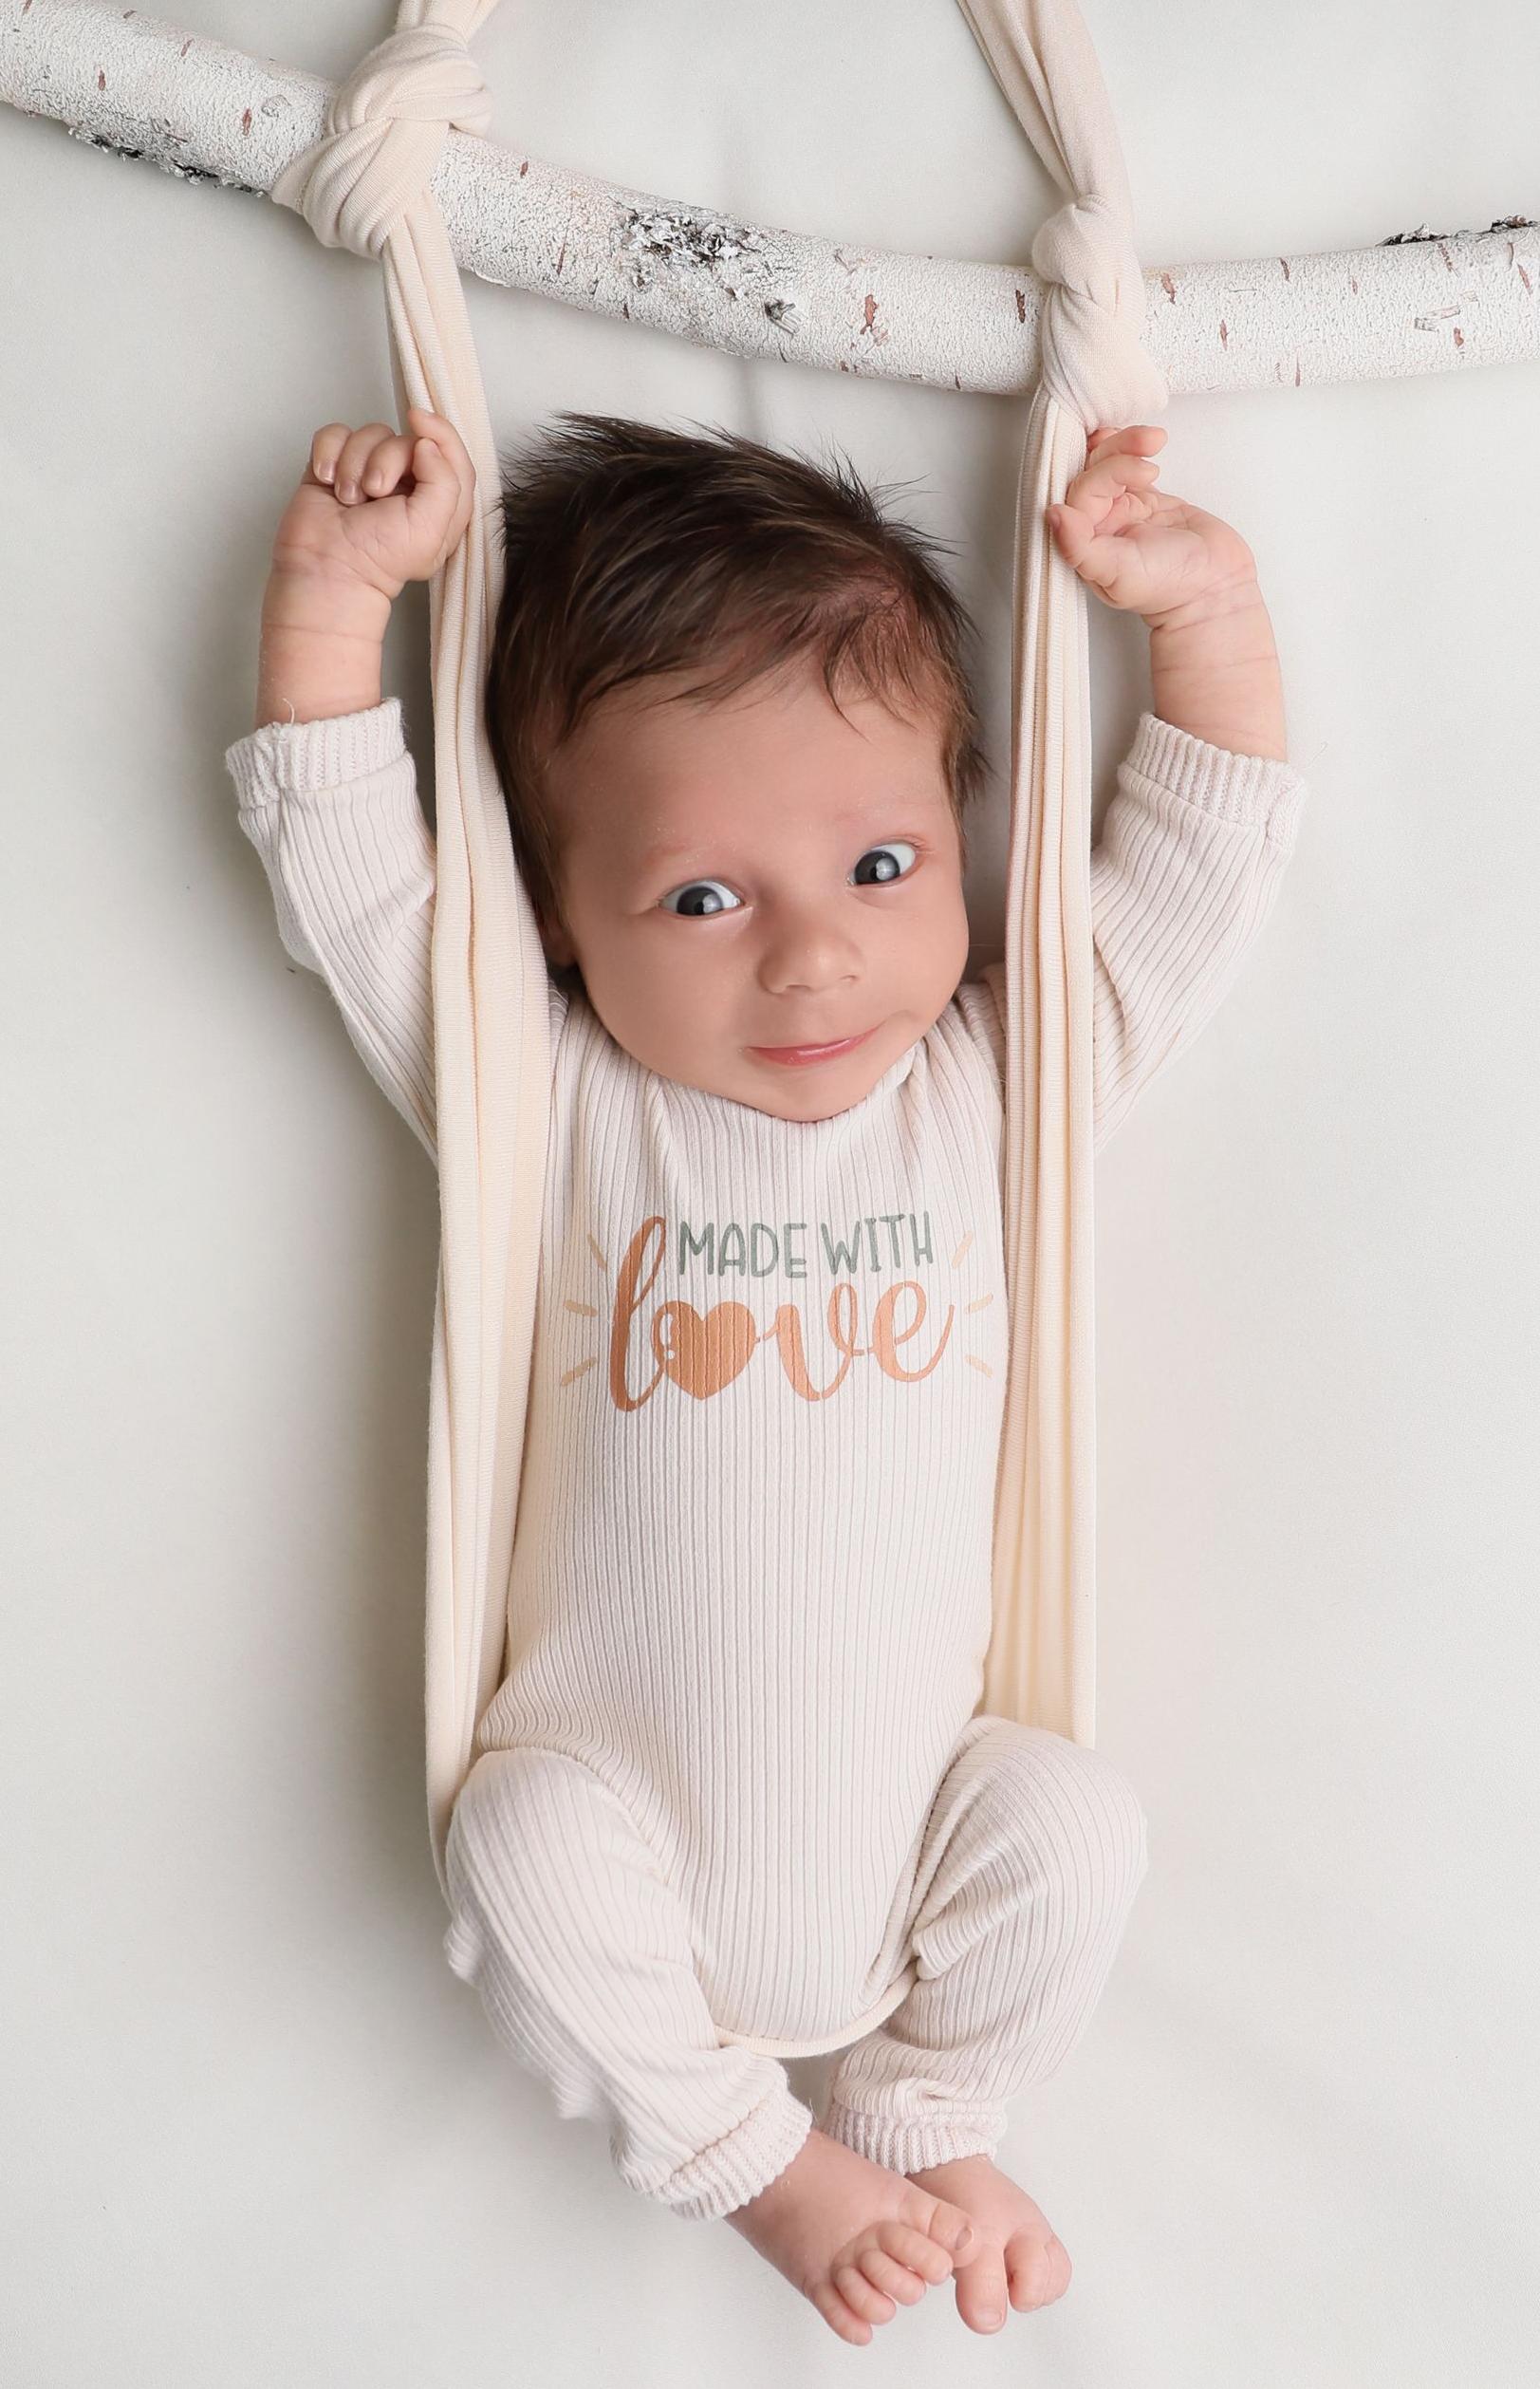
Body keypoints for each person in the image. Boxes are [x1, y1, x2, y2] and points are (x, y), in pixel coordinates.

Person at [224, 402, 1306, 2343]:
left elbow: (1196, 873)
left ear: (960, 831)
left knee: (1073, 1827)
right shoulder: (545, 1107)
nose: (812, 963)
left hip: (924, 1830)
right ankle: (762, 2167)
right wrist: (327, 601)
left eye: (882, 862)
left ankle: (924, 2109)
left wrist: (1203, 615)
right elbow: (352, 876)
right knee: (514, 1851)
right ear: (557, 922)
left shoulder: (991, 1091)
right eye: (704, 898)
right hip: (622, 1826)